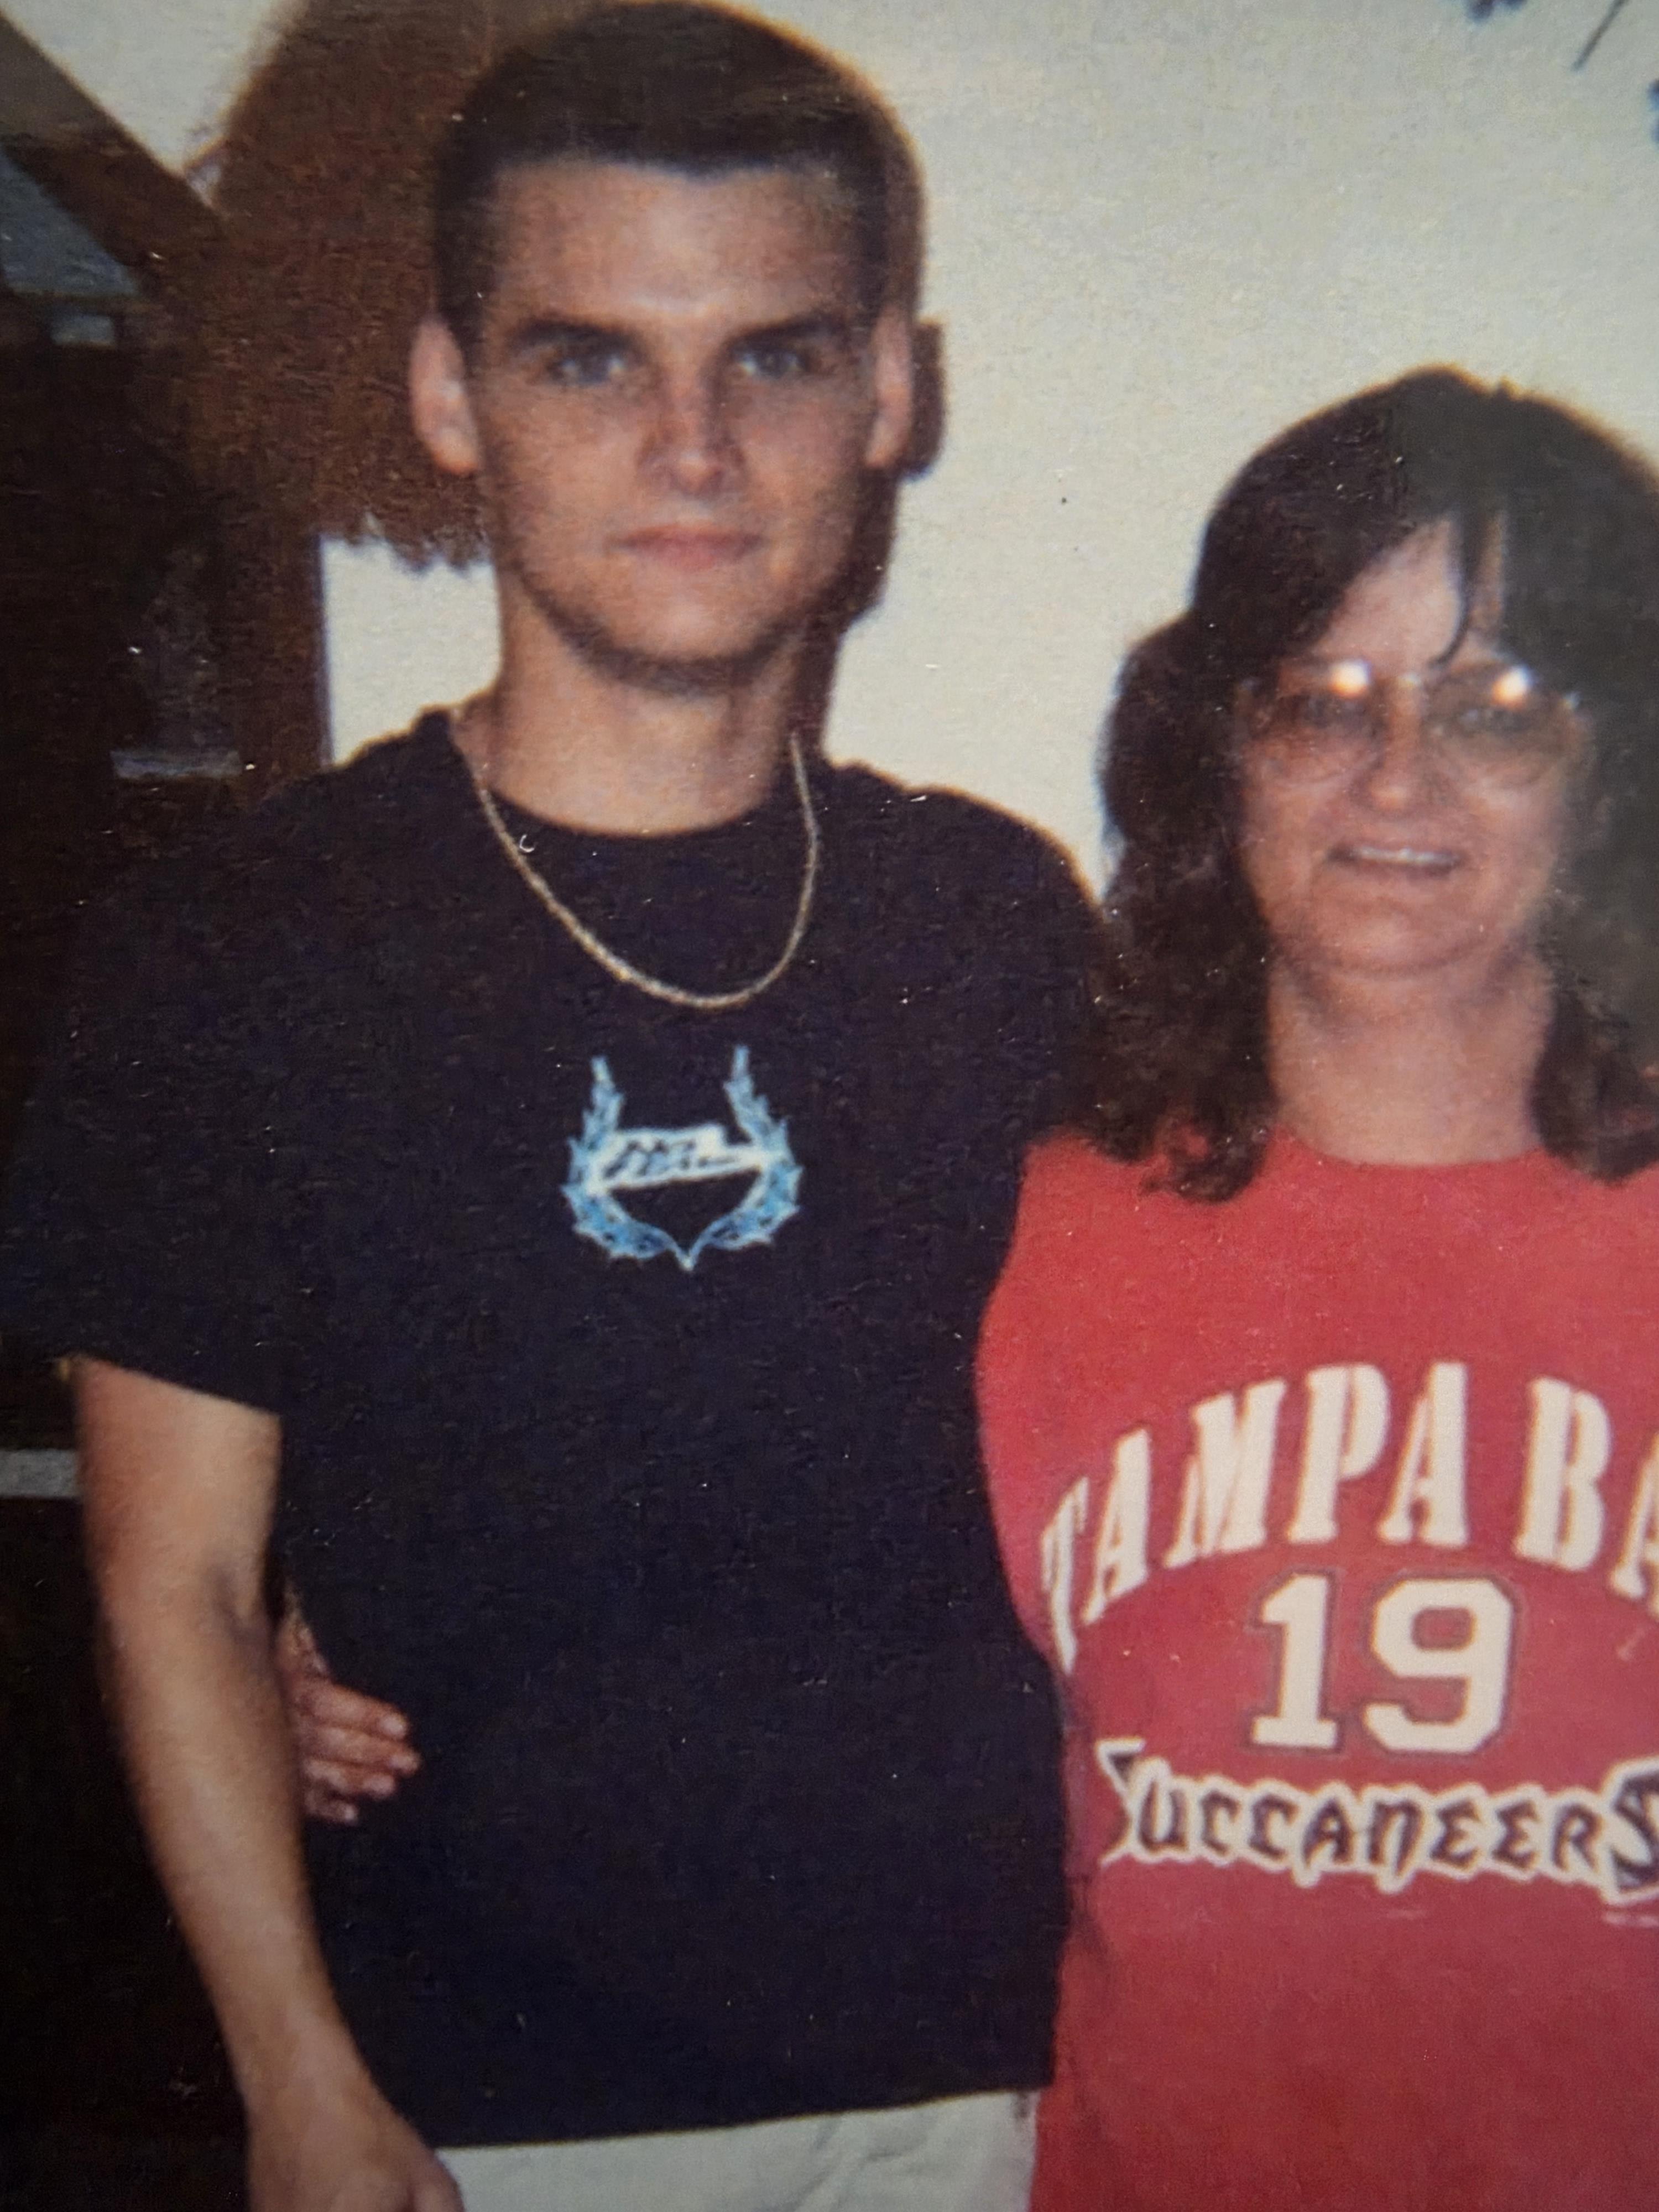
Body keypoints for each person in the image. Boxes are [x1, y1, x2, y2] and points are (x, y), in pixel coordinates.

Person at [0, 8, 1096, 2209]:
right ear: (449, 394)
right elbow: (178, 1583)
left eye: (774, 359)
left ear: (891, 391)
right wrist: (298, 2076)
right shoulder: (238, 951)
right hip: (476, 2106)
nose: (691, 447)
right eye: (591, 359)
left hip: (1009, 2073)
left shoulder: (993, 911)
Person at [978, 366, 1659, 2211]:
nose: (1395, 781)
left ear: (1611, 775)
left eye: (1497, 711)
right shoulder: (1032, 1230)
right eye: (1318, 703)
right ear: (1219, 750)